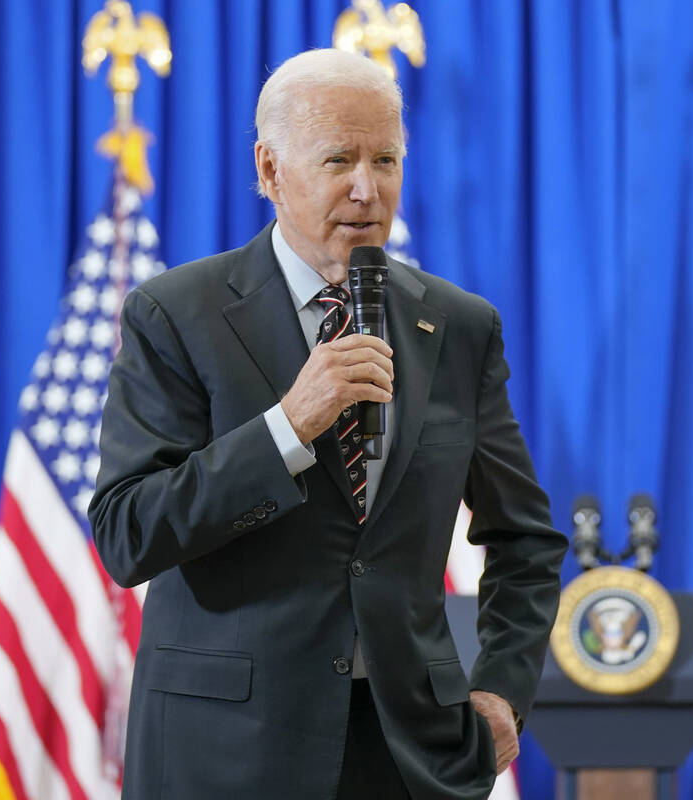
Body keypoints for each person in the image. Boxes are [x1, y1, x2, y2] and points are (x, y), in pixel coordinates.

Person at [89, 48, 567, 800]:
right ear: (270, 170)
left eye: (387, 159)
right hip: (226, 752)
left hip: (413, 752)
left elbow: (525, 540)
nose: (367, 190)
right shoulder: (177, 315)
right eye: (339, 159)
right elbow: (127, 534)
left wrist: (503, 688)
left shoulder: (460, 327)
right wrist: (286, 427)